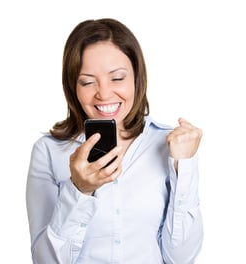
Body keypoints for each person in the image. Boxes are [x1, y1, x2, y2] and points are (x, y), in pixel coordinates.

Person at [26, 18, 203, 264]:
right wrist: (79, 190)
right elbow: (44, 261)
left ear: (136, 79)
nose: (105, 93)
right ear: (72, 87)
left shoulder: (169, 145)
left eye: (117, 78)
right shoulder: (48, 151)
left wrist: (183, 167)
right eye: (88, 81)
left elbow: (180, 259)